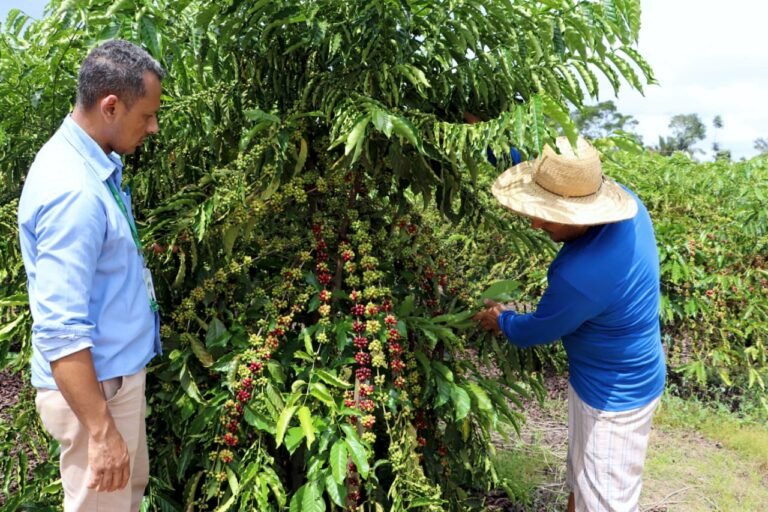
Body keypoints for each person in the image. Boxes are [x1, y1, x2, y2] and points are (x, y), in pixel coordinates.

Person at [473, 136, 666, 512]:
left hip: (614, 399)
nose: (534, 220)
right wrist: (488, 137)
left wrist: (503, 321)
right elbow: (549, 175)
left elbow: (539, 329)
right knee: (582, 481)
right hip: (603, 377)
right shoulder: (627, 207)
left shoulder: (583, 275)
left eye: (546, 212)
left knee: (606, 503)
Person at [18, 40, 164, 511]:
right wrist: (101, 431)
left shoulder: (92, 162)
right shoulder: (73, 191)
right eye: (146, 115)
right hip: (96, 396)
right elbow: (61, 330)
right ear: (111, 106)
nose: (153, 126)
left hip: (112, 383)